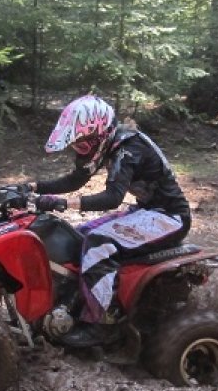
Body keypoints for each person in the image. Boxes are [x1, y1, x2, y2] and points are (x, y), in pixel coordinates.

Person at [28, 95, 192, 347]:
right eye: (77, 145)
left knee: (97, 242)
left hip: (170, 216)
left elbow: (113, 197)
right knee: (76, 236)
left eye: (83, 144)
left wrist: (62, 203)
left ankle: (104, 323)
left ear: (100, 133)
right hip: (147, 211)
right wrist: (32, 188)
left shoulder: (128, 148)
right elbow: (75, 180)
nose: (80, 149)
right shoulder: (107, 143)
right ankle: (69, 306)